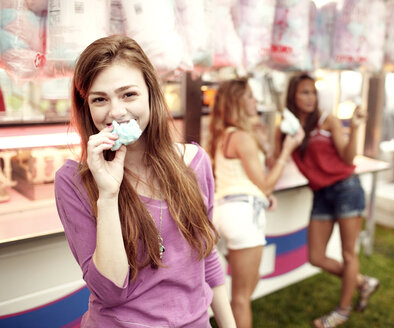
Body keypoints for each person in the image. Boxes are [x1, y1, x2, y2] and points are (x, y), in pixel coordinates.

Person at [54, 35, 236, 328]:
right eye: (100, 99)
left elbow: (206, 253)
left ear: (151, 93)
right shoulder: (74, 182)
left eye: (128, 94)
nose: (116, 112)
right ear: (86, 106)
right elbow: (111, 291)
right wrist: (108, 194)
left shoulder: (195, 162)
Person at [284, 73, 379, 328]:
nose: (310, 97)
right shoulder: (290, 128)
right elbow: (278, 157)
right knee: (315, 257)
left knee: (349, 253)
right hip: (321, 194)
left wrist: (356, 127)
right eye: (304, 92)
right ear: (292, 95)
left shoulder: (327, 120)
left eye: (312, 92)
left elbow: (348, 159)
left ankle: (342, 312)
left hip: (346, 188)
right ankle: (361, 282)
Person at [208, 78, 304, 328]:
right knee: (241, 298)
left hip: (224, 213)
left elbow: (248, 179)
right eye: (250, 96)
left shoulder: (227, 135)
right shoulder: (241, 137)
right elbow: (266, 183)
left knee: (246, 288)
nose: (256, 101)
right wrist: (288, 149)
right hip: (243, 216)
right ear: (238, 102)